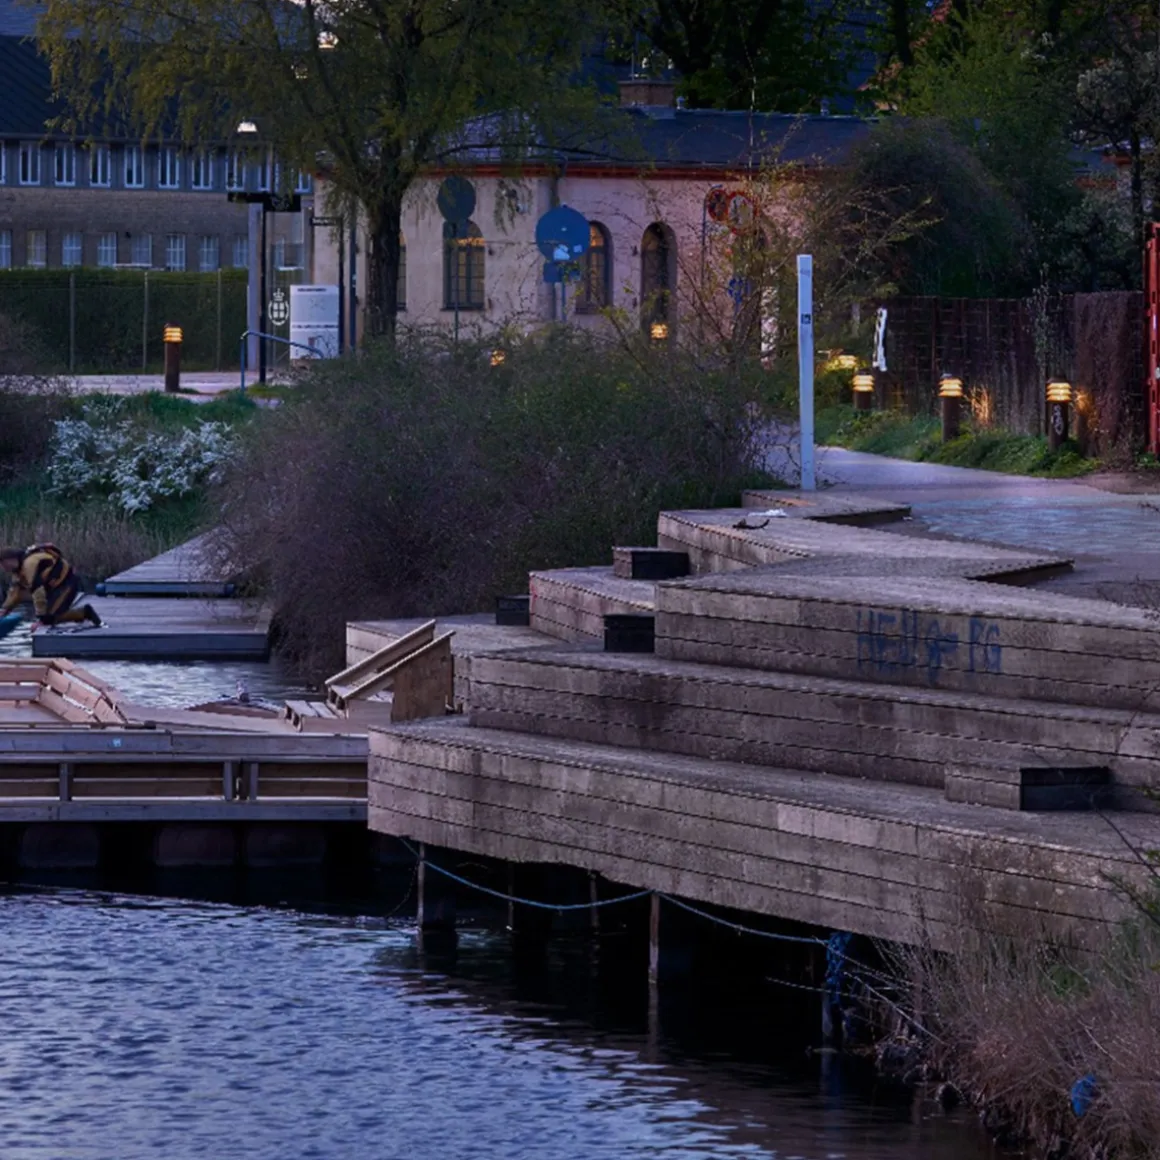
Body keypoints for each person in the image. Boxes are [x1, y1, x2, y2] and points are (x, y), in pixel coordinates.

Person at [0, 544, 102, 628]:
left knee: (48, 618)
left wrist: (41, 619)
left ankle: (83, 613)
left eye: (3, 564)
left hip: (67, 583)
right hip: (53, 588)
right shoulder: (17, 572)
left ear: (9, 560)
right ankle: (84, 613)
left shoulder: (29, 564)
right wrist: (5, 610)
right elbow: (15, 593)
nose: (3, 568)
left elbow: (38, 592)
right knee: (50, 616)